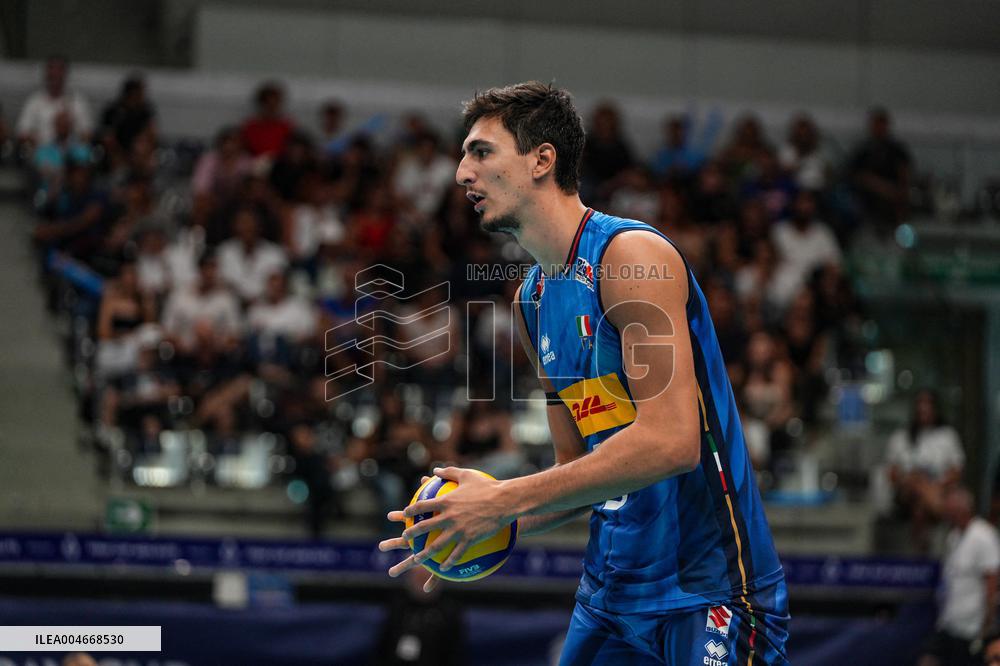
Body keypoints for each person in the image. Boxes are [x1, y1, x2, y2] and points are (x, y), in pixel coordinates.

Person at [378, 82, 788, 665]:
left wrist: (504, 499)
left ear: (543, 159)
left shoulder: (632, 259)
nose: (461, 172)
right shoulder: (531, 301)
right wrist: (485, 518)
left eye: (481, 152)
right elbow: (578, 475)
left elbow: (673, 443)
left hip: (709, 591)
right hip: (609, 600)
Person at [919, 486, 1000, 666]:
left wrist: (987, 624)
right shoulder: (954, 536)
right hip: (949, 622)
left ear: (962, 509)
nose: (946, 513)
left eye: (949, 508)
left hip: (972, 627)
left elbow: (992, 582)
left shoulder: (984, 536)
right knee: (928, 660)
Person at [887, 389, 966, 552]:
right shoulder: (901, 437)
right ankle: (938, 506)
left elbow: (957, 471)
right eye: (920, 404)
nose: (923, 408)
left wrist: (936, 484)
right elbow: (892, 473)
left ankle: (921, 552)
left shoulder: (948, 435)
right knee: (917, 484)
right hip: (907, 492)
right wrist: (910, 480)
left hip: (938, 490)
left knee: (920, 508)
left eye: (928, 404)